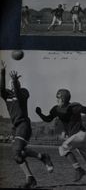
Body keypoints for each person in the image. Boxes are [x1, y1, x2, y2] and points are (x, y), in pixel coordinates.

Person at [0, 60, 53, 188]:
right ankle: (40, 160)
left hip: (24, 125)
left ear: (18, 83)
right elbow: (2, 88)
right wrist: (3, 72)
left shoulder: (23, 93)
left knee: (16, 152)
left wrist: (15, 83)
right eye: (11, 83)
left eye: (15, 82)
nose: (13, 85)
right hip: (16, 127)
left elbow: (18, 93)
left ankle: (32, 177)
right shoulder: (6, 94)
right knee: (20, 154)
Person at [35, 89, 86, 182]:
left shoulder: (74, 107)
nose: (57, 100)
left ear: (64, 99)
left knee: (63, 148)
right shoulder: (56, 109)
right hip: (78, 137)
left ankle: (79, 170)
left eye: (59, 98)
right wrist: (40, 114)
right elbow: (48, 119)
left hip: (80, 134)